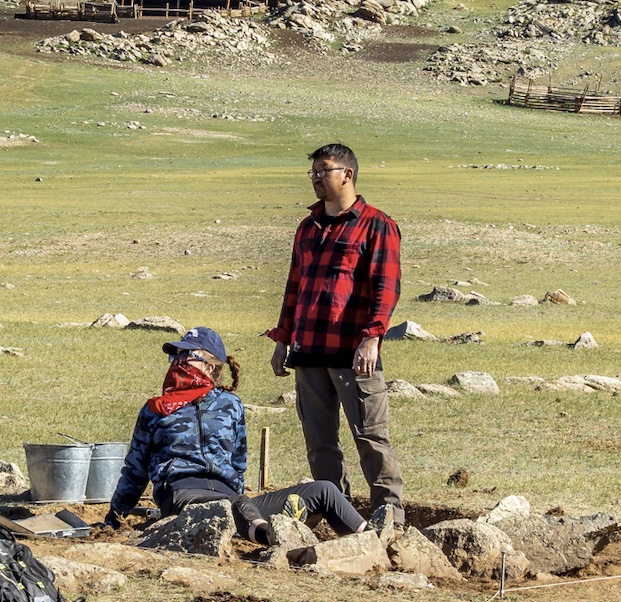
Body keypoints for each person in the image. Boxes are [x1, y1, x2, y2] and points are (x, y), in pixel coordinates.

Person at [107, 327, 369, 544]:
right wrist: (113, 519)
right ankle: (272, 535)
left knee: (324, 490)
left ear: (210, 367)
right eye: (175, 356)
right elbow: (134, 470)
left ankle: (373, 541)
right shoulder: (154, 410)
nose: (177, 361)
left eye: (187, 355)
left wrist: (239, 497)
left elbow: (238, 462)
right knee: (235, 505)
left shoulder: (230, 405)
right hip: (182, 498)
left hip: (234, 500)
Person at [268, 142, 404, 530]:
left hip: (352, 353)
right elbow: (295, 286)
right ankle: (337, 518)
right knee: (319, 444)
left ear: (347, 174)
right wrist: (283, 339)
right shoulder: (307, 228)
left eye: (324, 170)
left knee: (371, 439)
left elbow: (386, 288)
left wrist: (372, 337)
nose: (315, 177)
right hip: (309, 351)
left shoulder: (377, 225)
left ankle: (389, 519)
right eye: (312, 171)